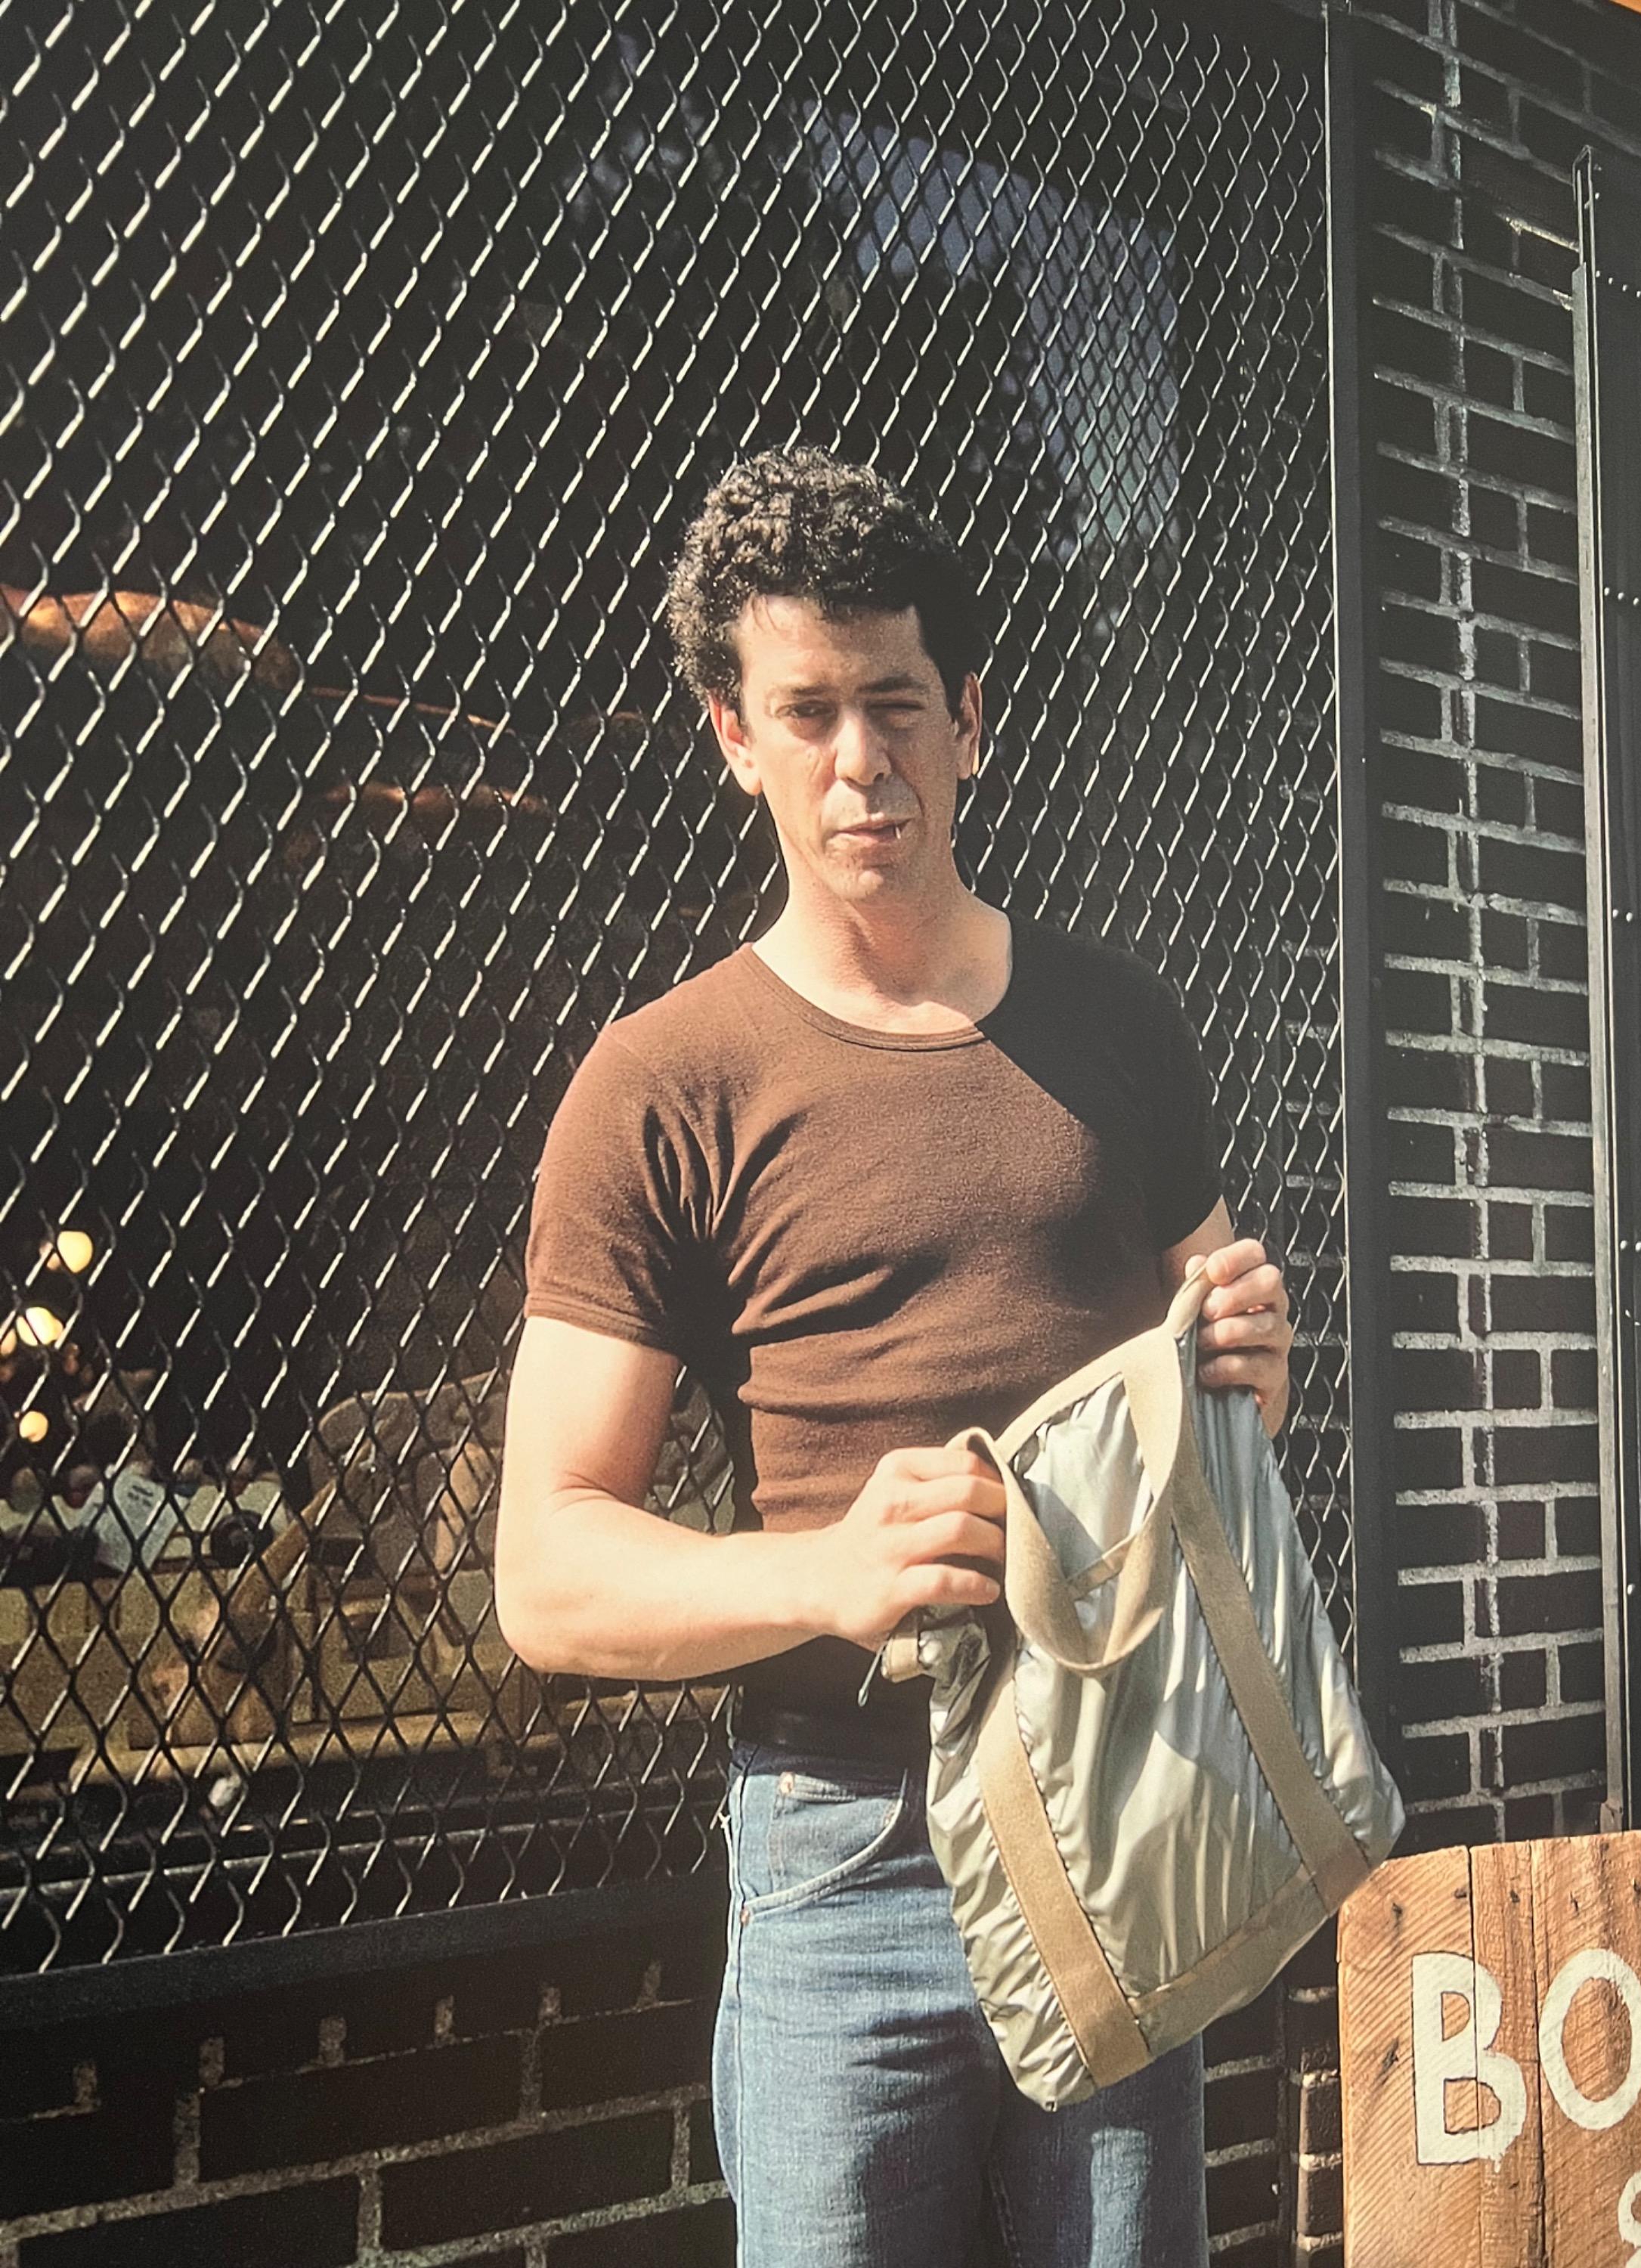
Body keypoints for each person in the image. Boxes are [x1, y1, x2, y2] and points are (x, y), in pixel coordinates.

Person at [496, 448, 1295, 2266]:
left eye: (895, 705)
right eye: (806, 713)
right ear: (731, 736)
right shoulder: (660, 1084)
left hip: (1125, 1791)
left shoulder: (1122, 1023)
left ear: (971, 723)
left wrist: (1250, 1360)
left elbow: (1209, 1396)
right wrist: (833, 1572)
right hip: (848, 1850)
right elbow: (546, 1569)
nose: (858, 763)